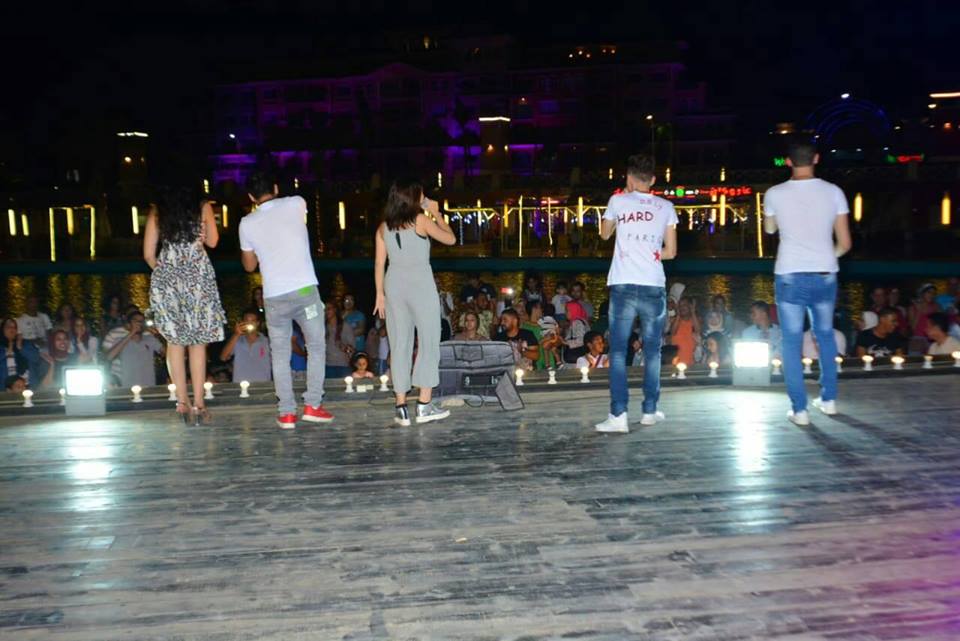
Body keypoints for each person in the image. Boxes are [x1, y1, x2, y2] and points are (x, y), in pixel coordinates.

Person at [764, 139, 852, 425]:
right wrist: (825, 257)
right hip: (824, 274)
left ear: (788, 162)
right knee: (824, 335)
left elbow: (769, 229)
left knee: (791, 341)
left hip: (790, 273)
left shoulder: (774, 193)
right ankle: (829, 400)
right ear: (816, 158)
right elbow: (845, 244)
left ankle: (799, 410)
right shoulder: (834, 192)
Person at [240, 171, 333, 429]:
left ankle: (287, 413)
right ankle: (313, 405)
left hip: (274, 296)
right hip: (304, 291)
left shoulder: (246, 223)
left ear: (251, 197)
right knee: (316, 347)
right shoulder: (296, 203)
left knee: (280, 354)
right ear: (276, 188)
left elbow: (249, 266)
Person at [595, 154, 678, 433]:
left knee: (619, 351)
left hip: (623, 284)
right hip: (653, 284)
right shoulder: (666, 206)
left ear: (629, 177)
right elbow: (671, 252)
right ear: (653, 179)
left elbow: (604, 234)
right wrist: (652, 254)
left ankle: (618, 415)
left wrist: (621, 205)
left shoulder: (617, 201)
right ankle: (649, 411)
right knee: (653, 351)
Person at [374, 178, 456, 427]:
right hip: (419, 283)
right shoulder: (420, 220)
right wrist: (437, 214)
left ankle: (401, 408)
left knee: (400, 344)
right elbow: (450, 239)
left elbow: (379, 263)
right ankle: (424, 404)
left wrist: (379, 294)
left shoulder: (383, 227)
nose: (423, 196)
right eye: (420, 193)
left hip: (394, 285)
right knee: (428, 341)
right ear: (411, 197)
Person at [144, 189, 226, 425]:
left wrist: (167, 274)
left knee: (174, 341)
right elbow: (213, 241)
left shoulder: (158, 210)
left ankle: (182, 403)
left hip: (168, 280)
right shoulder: (202, 206)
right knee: (198, 342)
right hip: (197, 277)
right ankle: (199, 404)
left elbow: (148, 254)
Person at [102, 310, 164, 388]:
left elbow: (165, 352)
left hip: (148, 387)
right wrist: (132, 332)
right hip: (126, 388)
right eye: (135, 321)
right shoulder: (121, 341)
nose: (139, 323)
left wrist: (161, 334)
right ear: (128, 324)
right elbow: (109, 357)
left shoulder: (150, 339)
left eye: (141, 321)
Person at [219, 309, 272, 383]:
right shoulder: (236, 340)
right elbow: (223, 357)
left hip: (263, 385)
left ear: (257, 323)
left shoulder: (267, 341)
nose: (249, 324)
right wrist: (236, 334)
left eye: (252, 321)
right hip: (240, 385)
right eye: (246, 321)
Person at [324, 301, 354, 379]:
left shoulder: (346, 326)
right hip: (328, 365)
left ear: (335, 310)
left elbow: (352, 349)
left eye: (328, 309)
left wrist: (345, 348)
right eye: (324, 309)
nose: (326, 311)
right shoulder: (323, 327)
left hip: (343, 365)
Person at [668, 296, 700, 366]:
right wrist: (678, 315)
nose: (682, 307)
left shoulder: (693, 320)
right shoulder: (675, 320)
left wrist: (693, 312)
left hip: (690, 362)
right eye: (680, 306)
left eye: (684, 305)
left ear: (690, 307)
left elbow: (698, 331)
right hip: (676, 363)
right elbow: (673, 332)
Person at [562, 299, 591, 363]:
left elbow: (581, 340)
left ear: (573, 310)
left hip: (577, 358)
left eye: (567, 311)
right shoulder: (582, 320)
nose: (565, 313)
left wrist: (565, 342)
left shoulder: (577, 323)